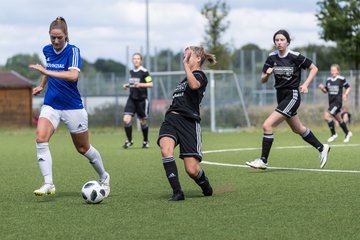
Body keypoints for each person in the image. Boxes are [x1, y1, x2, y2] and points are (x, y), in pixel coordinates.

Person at [29, 17, 110, 197]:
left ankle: (104, 176)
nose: (56, 41)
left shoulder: (73, 51)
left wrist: (45, 71)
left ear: (66, 36)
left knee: (83, 148)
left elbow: (73, 76)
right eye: (52, 38)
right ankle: (48, 182)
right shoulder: (47, 50)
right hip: (51, 104)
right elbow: (50, 68)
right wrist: (43, 85)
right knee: (40, 138)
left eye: (59, 37)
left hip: (72, 106)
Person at [246, 29, 330, 170]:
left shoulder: (295, 56)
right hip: (281, 96)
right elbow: (263, 79)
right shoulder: (272, 57)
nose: (279, 42)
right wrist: (267, 74)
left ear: (288, 42)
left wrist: (305, 84)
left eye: (282, 40)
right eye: (277, 40)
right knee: (298, 129)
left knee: (267, 125)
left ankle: (263, 160)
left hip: (292, 95)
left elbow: (313, 68)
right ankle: (322, 147)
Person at [158, 46, 216, 201]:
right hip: (171, 120)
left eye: (188, 56)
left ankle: (205, 185)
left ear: (198, 58)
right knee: (165, 150)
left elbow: (194, 86)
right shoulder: (185, 78)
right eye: (184, 56)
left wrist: (185, 66)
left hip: (189, 123)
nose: (185, 58)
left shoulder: (200, 75)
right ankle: (177, 192)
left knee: (191, 170)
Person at [122, 53, 153, 149]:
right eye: (134, 59)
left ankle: (145, 140)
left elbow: (150, 84)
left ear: (141, 60)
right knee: (126, 119)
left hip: (141, 100)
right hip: (132, 99)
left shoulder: (145, 72)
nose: (136, 60)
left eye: (138, 59)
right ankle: (130, 140)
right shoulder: (131, 71)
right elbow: (133, 83)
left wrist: (140, 84)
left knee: (142, 122)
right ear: (132, 60)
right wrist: (127, 85)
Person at [319, 64, 352, 143]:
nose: (332, 72)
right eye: (331, 70)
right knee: (339, 120)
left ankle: (333, 134)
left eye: (334, 70)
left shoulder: (341, 79)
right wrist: (322, 88)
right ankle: (348, 133)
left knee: (326, 116)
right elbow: (325, 91)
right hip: (331, 103)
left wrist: (345, 94)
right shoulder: (328, 80)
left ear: (338, 71)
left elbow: (348, 87)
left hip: (338, 102)